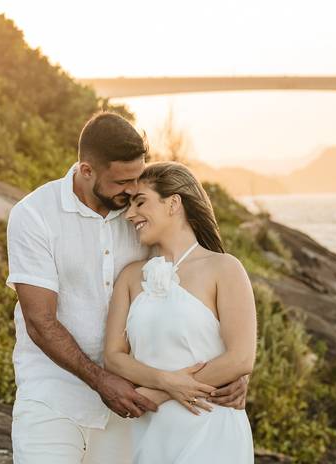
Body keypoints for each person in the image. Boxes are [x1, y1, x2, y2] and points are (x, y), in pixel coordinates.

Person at [6, 112, 249, 464]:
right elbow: (40, 321)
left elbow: (200, 297)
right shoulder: (34, 215)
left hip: (132, 407)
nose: (133, 190)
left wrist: (233, 373)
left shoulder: (139, 216)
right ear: (87, 171)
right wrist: (103, 380)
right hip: (54, 398)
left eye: (138, 179)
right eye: (123, 181)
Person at [103, 161, 256, 463]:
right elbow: (113, 356)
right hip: (147, 432)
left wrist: (159, 395)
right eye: (129, 205)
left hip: (210, 430)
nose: (130, 214)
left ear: (173, 203)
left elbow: (240, 358)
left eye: (141, 202)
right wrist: (165, 381)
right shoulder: (131, 277)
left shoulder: (224, 268)